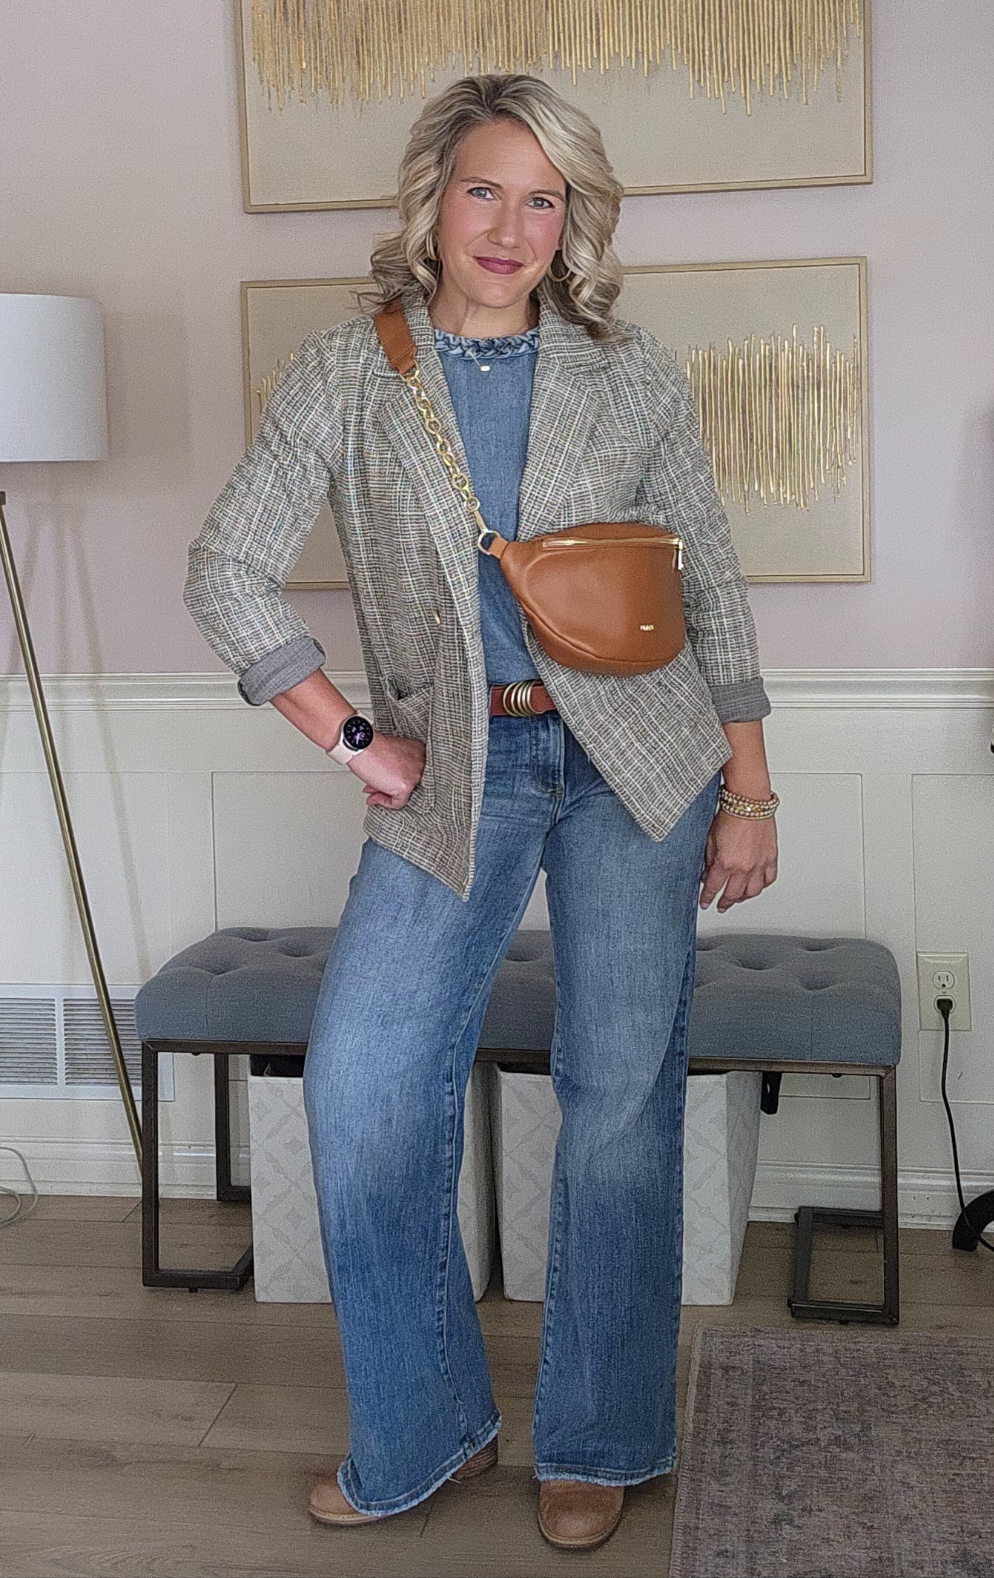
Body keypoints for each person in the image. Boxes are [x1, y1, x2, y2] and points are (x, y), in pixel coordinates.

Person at [184, 71, 778, 1553]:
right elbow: (225, 568)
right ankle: (425, 1422)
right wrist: (350, 737)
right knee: (365, 1092)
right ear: (430, 203)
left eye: (543, 196)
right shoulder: (349, 371)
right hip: (455, 766)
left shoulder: (627, 369)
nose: (511, 224)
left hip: (638, 765)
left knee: (618, 1107)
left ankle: (599, 1432)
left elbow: (706, 584)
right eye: (483, 189)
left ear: (570, 218)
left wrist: (750, 787)